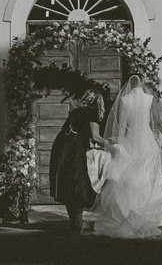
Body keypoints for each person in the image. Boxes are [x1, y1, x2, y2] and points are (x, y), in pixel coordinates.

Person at [93, 74, 162, 238]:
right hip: (147, 141)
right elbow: (158, 122)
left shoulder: (125, 100)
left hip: (131, 140)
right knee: (150, 178)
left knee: (131, 178)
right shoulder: (149, 99)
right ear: (142, 83)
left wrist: (119, 144)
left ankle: (130, 213)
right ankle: (150, 216)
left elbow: (122, 125)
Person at [49, 88, 107, 233]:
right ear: (98, 102)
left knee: (66, 184)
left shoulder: (76, 112)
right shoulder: (91, 112)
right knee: (77, 183)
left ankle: (75, 222)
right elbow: (95, 137)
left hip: (61, 145)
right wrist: (112, 148)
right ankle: (77, 222)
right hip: (73, 147)